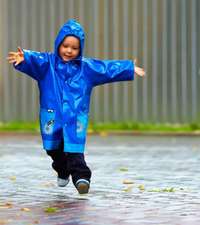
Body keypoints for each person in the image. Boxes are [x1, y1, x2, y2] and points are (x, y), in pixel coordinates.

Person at [7, 19, 145, 194]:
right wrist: (24, 58)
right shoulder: (47, 65)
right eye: (65, 46)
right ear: (59, 44)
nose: (69, 51)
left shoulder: (86, 68)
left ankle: (82, 178)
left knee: (74, 149)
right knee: (52, 148)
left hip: (75, 118)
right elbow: (35, 59)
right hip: (52, 116)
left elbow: (106, 68)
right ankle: (62, 170)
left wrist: (128, 68)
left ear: (80, 49)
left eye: (74, 48)